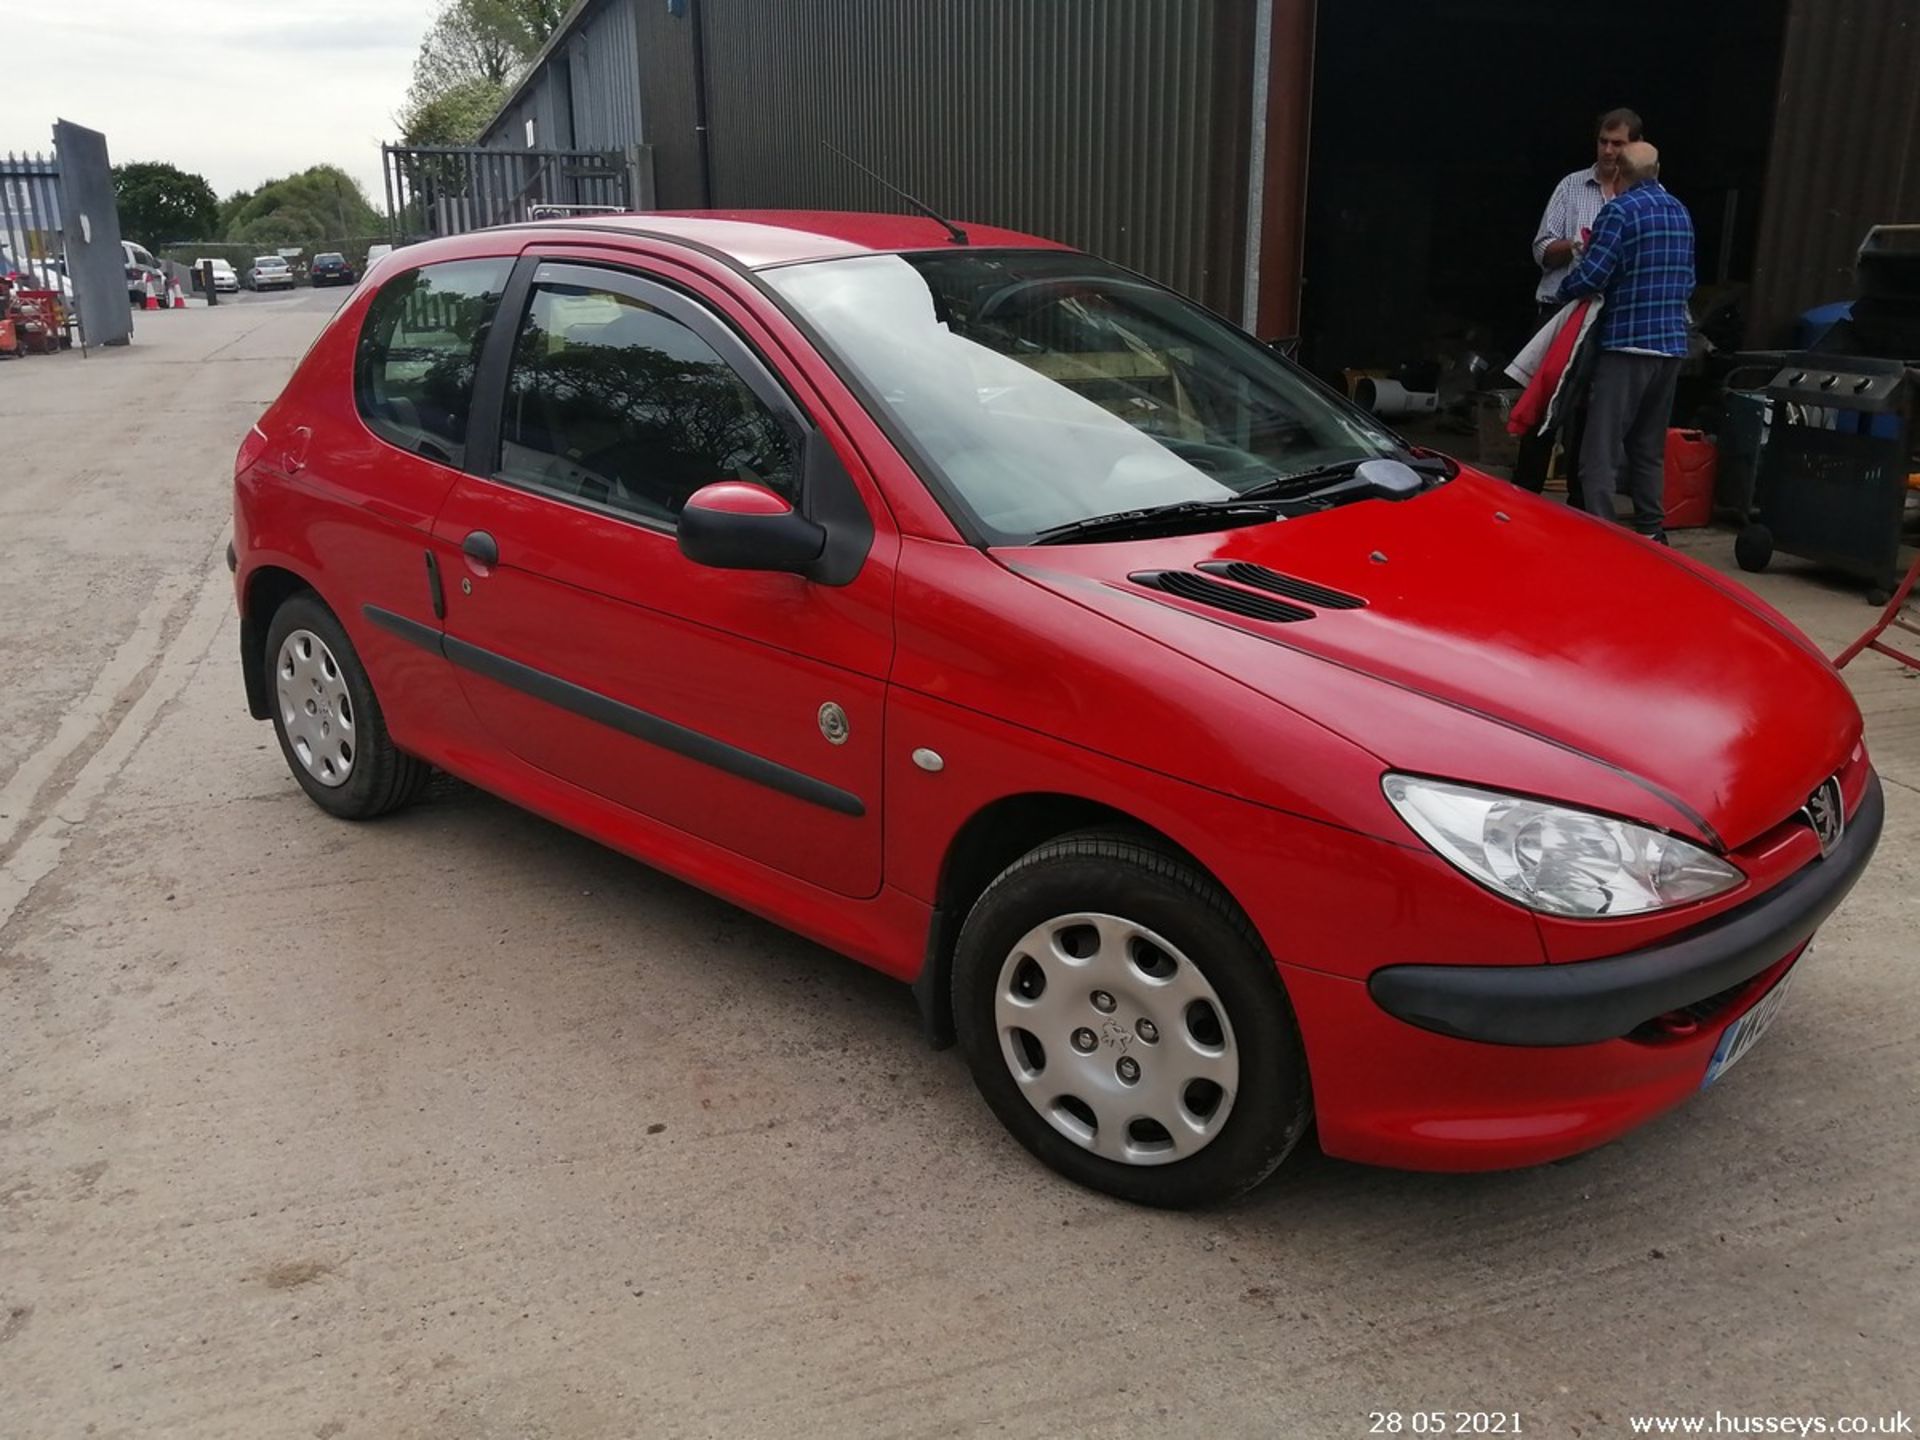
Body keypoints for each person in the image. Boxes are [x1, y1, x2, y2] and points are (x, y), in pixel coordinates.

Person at [1557, 140, 1696, 541]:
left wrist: (1565, 289)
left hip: (1626, 346)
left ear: (1619, 173)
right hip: (1670, 346)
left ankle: (1603, 534)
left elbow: (1594, 274)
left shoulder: (1618, 211)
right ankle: (1653, 531)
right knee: (1647, 448)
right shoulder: (1680, 212)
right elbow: (1687, 278)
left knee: (1599, 451)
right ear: (1657, 170)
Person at [1511, 108, 1641, 498]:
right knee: (1542, 410)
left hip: (1608, 319)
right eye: (1603, 140)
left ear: (1633, 146)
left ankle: (1579, 509)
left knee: (1592, 418)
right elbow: (1541, 249)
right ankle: (1523, 497)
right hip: (1560, 313)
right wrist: (1574, 246)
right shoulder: (1570, 187)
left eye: (1617, 143)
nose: (1607, 150)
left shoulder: (1645, 195)